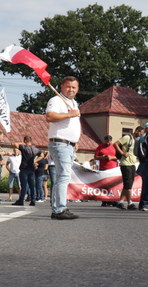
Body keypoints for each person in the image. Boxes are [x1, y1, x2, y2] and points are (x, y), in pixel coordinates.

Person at [45, 76, 81, 219]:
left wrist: (75, 140)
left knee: (63, 176)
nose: (71, 89)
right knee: (63, 176)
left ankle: (58, 208)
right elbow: (50, 116)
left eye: (74, 87)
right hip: (60, 142)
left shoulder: (73, 103)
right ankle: (59, 209)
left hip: (69, 144)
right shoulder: (56, 100)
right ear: (61, 87)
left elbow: (73, 124)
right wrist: (69, 114)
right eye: (68, 86)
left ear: (77, 89)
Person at [115, 126, 143, 210]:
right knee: (128, 185)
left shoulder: (136, 140)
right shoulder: (127, 137)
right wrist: (122, 153)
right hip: (125, 164)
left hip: (132, 164)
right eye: (140, 133)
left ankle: (120, 201)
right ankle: (130, 202)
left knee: (127, 184)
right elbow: (115, 144)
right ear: (137, 131)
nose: (141, 135)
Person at [12, 136, 42, 206]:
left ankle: (21, 200)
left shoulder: (23, 147)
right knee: (32, 185)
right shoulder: (35, 149)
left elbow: (15, 144)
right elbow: (42, 155)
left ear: (25, 141)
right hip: (31, 168)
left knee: (24, 185)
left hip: (24, 168)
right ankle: (33, 200)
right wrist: (35, 160)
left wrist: (24, 143)